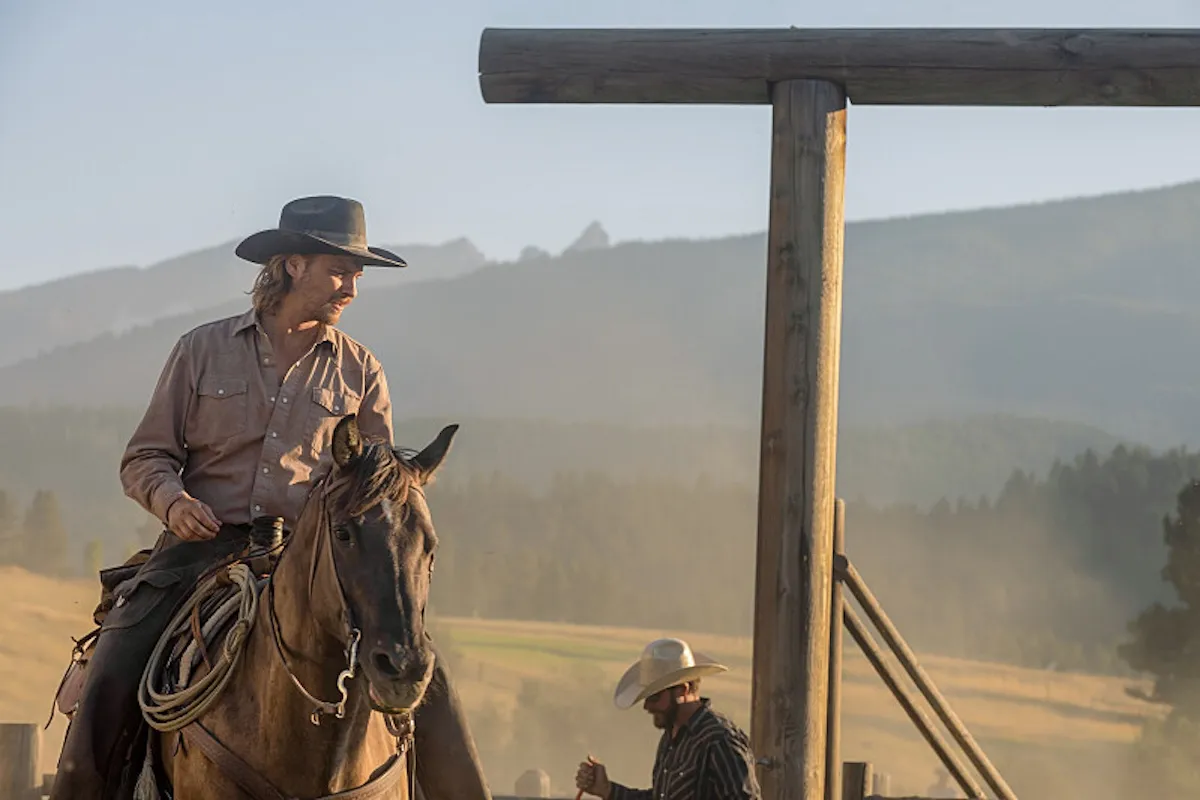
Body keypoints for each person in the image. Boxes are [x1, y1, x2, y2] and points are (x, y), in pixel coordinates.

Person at [50, 195, 491, 800]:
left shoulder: (361, 372)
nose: (351, 288)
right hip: (199, 550)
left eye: (357, 274)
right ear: (290, 266)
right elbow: (145, 457)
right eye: (340, 270)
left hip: (317, 559)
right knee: (112, 669)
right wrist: (174, 503)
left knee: (423, 675)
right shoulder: (201, 350)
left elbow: (381, 488)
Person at [575, 637, 761, 800]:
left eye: (654, 696)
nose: (647, 706)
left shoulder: (719, 740)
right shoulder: (672, 738)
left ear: (683, 690)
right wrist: (607, 791)